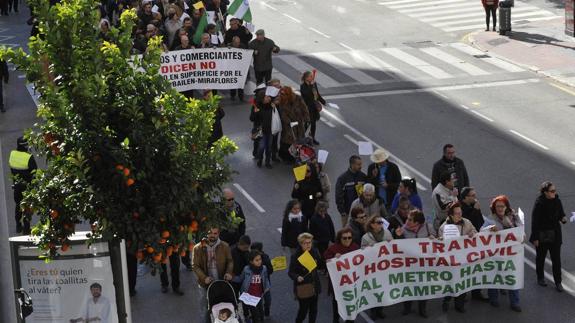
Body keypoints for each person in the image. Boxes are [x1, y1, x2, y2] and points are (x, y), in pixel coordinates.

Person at [485, 195, 522, 312]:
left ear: (507, 207)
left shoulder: (513, 217)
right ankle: (493, 298)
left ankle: (515, 302)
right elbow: (482, 234)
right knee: (494, 275)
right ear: (494, 208)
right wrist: (489, 230)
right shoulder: (490, 219)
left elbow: (521, 233)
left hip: (511, 255)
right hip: (495, 255)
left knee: (512, 277)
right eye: (497, 206)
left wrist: (511, 226)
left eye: (502, 206)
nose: (500, 208)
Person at [438, 202, 476, 313]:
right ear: (450, 215)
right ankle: (446, 300)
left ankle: (459, 304)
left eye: (461, 212)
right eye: (457, 213)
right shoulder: (443, 228)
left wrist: (472, 233)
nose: (460, 215)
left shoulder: (467, 222)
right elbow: (440, 244)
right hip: (450, 261)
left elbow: (474, 231)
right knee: (450, 282)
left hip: (464, 259)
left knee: (462, 282)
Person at [530, 181, 568, 292]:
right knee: (541, 257)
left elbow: (561, 214)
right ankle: (540, 277)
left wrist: (563, 219)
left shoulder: (557, 201)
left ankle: (558, 282)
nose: (554, 193)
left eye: (555, 190)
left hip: (555, 235)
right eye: (552, 191)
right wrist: (535, 237)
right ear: (545, 192)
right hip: (542, 235)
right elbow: (534, 221)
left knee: (556, 259)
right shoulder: (539, 203)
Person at [394, 210, 433, 317]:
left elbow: (436, 238)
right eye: (407, 218)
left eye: (410, 220)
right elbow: (398, 248)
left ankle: (422, 309)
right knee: (409, 286)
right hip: (409, 265)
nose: (407, 221)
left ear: (418, 223)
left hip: (424, 264)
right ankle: (407, 307)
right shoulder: (402, 230)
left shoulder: (427, 227)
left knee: (423, 287)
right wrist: (398, 236)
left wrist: (433, 238)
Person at [192, 227, 234, 323]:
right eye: (210, 233)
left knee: (222, 305)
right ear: (206, 233)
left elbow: (230, 261)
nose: (212, 235)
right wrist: (204, 277)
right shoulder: (197, 248)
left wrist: (228, 272)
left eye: (215, 233)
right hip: (205, 283)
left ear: (218, 234)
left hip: (221, 281)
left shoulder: (225, 246)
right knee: (205, 307)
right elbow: (195, 266)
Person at [323, 228, 359, 323]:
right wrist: (333, 258)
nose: (347, 240)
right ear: (340, 238)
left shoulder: (355, 247)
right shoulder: (333, 249)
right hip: (338, 284)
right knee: (337, 304)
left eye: (349, 237)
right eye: (344, 238)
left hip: (352, 283)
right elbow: (325, 262)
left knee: (351, 303)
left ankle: (350, 320)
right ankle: (336, 320)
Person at [459, 187, 488, 301]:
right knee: (465, 270)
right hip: (465, 245)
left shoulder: (474, 206)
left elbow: (480, 222)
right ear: (466, 197)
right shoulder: (461, 209)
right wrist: (475, 211)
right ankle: (462, 294)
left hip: (476, 242)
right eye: (473, 195)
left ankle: (476, 292)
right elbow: (466, 224)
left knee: (477, 268)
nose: (475, 198)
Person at [361, 214, 392, 319]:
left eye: (382, 222)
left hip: (384, 268)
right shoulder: (366, 237)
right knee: (374, 290)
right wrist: (367, 248)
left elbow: (393, 247)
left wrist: (390, 243)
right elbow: (361, 253)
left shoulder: (387, 233)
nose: (381, 224)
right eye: (378, 222)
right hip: (373, 269)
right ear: (372, 225)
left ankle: (380, 310)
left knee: (382, 289)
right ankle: (373, 311)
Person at [288, 233, 322, 323]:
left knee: (314, 310)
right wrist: (297, 277)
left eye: (310, 242)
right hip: (303, 287)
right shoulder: (295, 256)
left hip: (314, 284)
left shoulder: (314, 251)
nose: (308, 245)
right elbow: (290, 272)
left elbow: (320, 263)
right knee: (303, 311)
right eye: (305, 243)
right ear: (301, 244)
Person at [9, 137, 38, 234]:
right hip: (27, 186)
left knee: (18, 205)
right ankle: (26, 228)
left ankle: (18, 224)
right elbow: (35, 172)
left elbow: (12, 169)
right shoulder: (29, 157)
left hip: (17, 185)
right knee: (26, 206)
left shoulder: (12, 154)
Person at [278, 86, 310, 162]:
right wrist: (289, 122)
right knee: (287, 141)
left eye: (284, 94)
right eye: (281, 94)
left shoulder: (298, 98)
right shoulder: (282, 100)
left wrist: (306, 119)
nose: (282, 95)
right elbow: (282, 114)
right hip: (288, 125)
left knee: (299, 139)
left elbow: (304, 108)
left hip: (298, 123)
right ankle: (285, 156)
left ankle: (296, 155)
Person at [335, 155, 367, 226]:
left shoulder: (363, 176)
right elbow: (338, 196)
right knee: (347, 231)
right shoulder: (342, 178)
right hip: (347, 212)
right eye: (358, 164)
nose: (360, 166)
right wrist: (342, 211)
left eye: (361, 164)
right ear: (352, 165)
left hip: (361, 211)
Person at [239, 250, 271, 323]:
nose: (259, 261)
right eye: (256, 260)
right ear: (251, 261)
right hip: (250, 297)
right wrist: (232, 278)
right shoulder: (246, 269)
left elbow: (266, 279)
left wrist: (266, 289)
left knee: (261, 313)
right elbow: (241, 278)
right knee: (255, 315)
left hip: (259, 296)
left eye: (260, 259)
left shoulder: (264, 268)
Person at [254, 94, 280, 168]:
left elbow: (276, 116)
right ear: (262, 99)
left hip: (270, 130)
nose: (268, 98)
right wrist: (256, 113)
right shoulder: (257, 106)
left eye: (269, 97)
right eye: (266, 97)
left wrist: (275, 108)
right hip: (261, 130)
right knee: (262, 147)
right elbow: (252, 118)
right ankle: (260, 159)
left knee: (269, 147)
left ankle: (267, 162)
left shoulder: (272, 106)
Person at [300, 70, 325, 145]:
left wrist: (323, 101)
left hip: (314, 107)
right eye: (311, 76)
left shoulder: (314, 84)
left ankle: (312, 138)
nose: (312, 77)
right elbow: (307, 94)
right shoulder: (303, 86)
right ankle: (303, 139)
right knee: (307, 124)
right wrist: (311, 85)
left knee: (313, 124)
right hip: (307, 108)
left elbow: (316, 94)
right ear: (306, 78)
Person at [309, 201, 335, 271]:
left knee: (329, 254)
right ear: (317, 210)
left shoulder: (327, 216)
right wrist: (313, 241)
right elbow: (311, 231)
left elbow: (331, 227)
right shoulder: (313, 219)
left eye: (324, 211)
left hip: (327, 240)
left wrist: (333, 239)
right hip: (319, 241)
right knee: (323, 255)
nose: (323, 213)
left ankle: (327, 268)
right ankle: (325, 268)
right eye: (321, 211)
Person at [251, 242, 273, 317]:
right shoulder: (250, 258)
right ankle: (259, 314)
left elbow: (271, 270)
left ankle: (266, 310)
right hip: (255, 285)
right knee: (258, 301)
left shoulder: (265, 258)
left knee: (268, 300)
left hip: (265, 284)